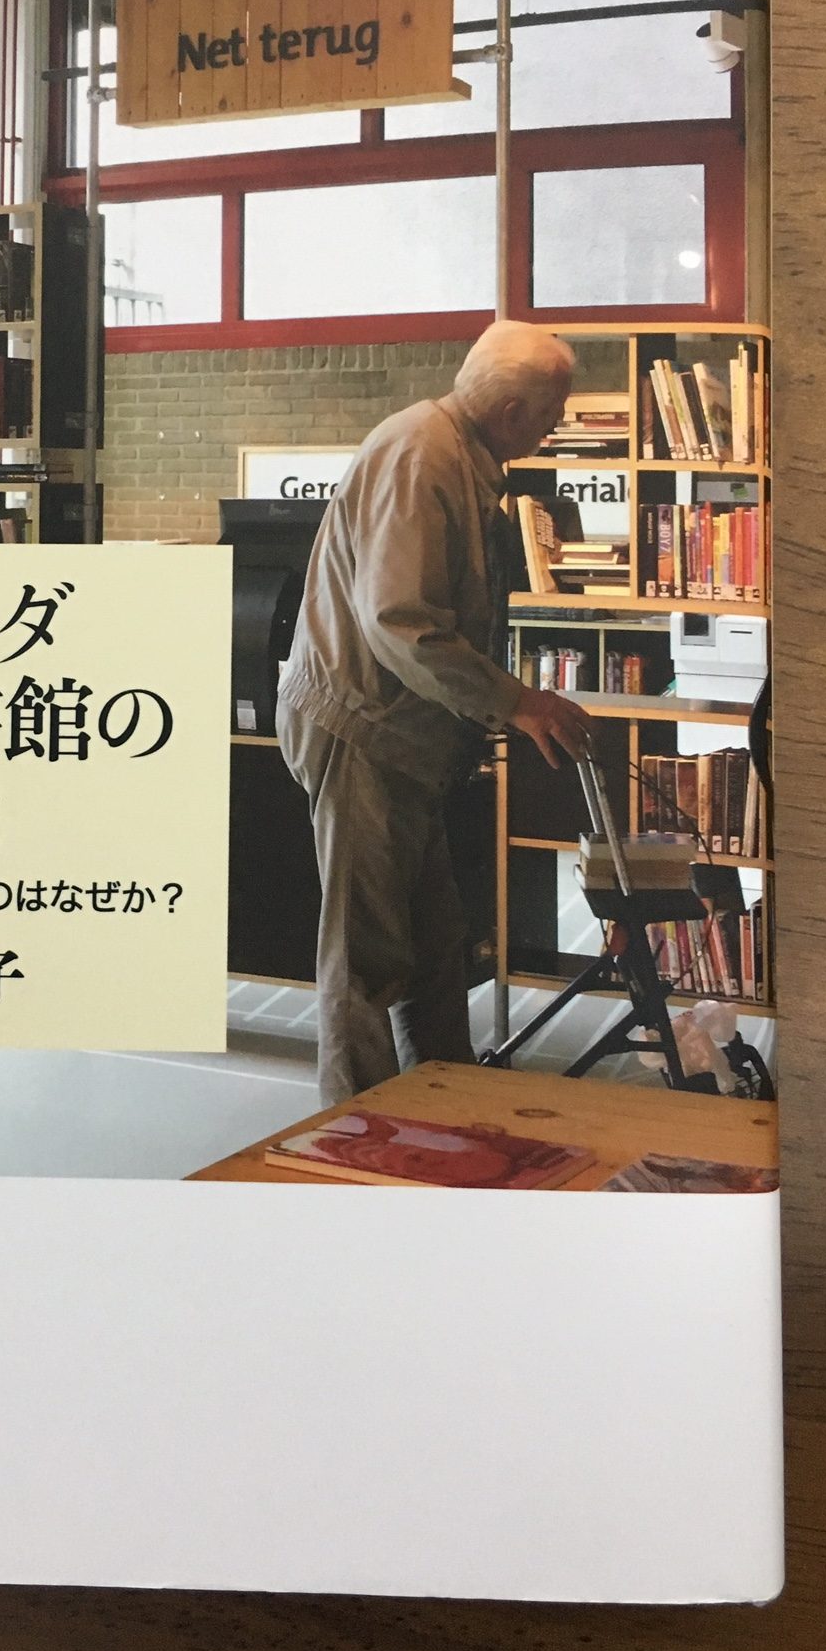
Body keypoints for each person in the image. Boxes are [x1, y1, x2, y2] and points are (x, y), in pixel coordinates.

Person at [277, 320, 593, 1104]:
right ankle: (356, 1135)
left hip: (401, 736)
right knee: (367, 957)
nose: (555, 428)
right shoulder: (422, 455)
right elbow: (400, 622)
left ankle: (443, 1107)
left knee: (433, 945)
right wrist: (515, 702)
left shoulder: (456, 452)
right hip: (364, 729)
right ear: (512, 412)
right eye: (551, 414)